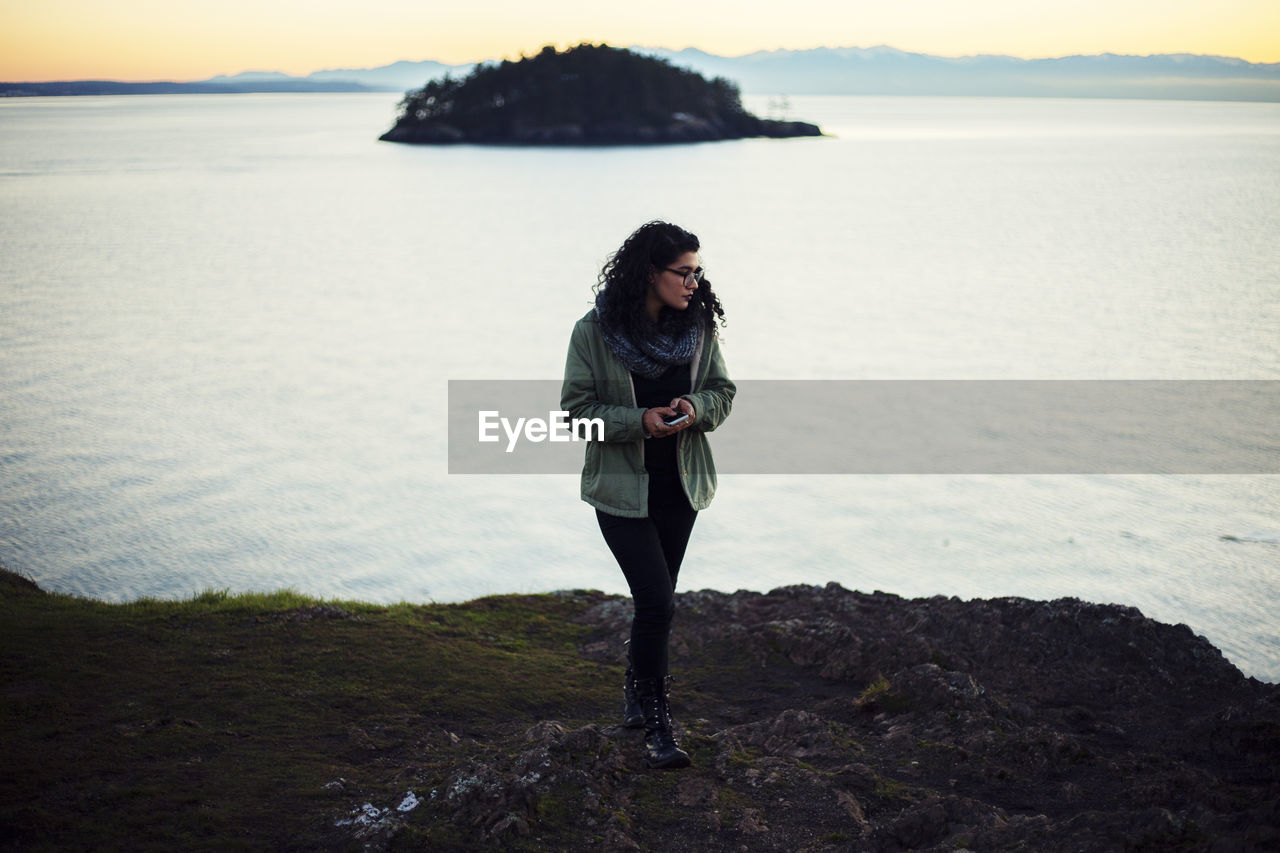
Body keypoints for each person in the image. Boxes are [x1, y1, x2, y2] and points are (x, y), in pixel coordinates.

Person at [560, 221, 735, 769]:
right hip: (620, 493)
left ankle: (636, 688)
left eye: (696, 272)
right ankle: (658, 727)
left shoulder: (700, 328)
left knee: (654, 605)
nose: (692, 283)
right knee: (658, 602)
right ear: (650, 273)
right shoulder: (592, 332)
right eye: (683, 273)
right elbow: (576, 414)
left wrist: (693, 409)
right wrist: (640, 420)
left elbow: (722, 394)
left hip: (681, 488)